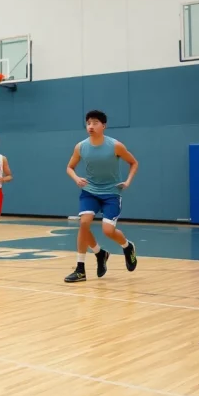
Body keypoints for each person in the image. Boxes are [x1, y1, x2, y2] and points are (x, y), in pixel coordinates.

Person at [64, 110, 139, 283]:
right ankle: (82, 267)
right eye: (88, 123)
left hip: (111, 193)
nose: (91, 126)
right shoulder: (81, 146)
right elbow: (69, 167)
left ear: (103, 126)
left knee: (108, 231)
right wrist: (76, 178)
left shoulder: (115, 146)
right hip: (90, 191)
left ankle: (127, 246)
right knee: (84, 223)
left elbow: (134, 162)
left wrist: (127, 181)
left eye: (95, 123)